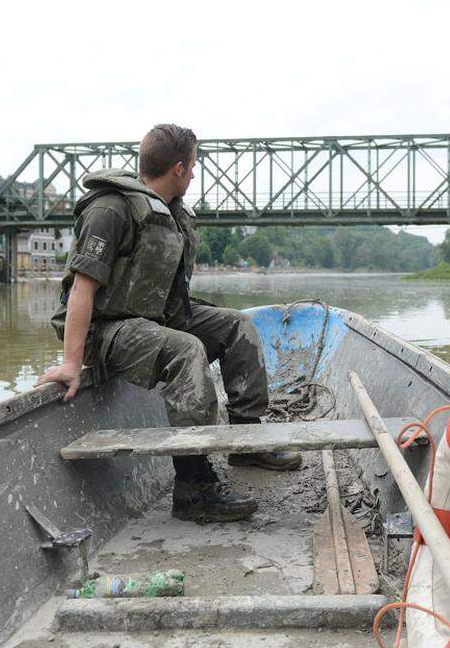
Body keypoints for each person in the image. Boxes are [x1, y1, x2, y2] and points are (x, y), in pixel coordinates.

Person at [37, 123, 300, 523]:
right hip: (107, 327)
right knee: (187, 350)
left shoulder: (171, 212)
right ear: (178, 167)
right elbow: (81, 291)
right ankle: (194, 488)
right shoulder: (109, 209)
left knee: (237, 326)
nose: (194, 173)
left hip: (155, 315)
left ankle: (247, 440)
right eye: (193, 165)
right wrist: (72, 364)